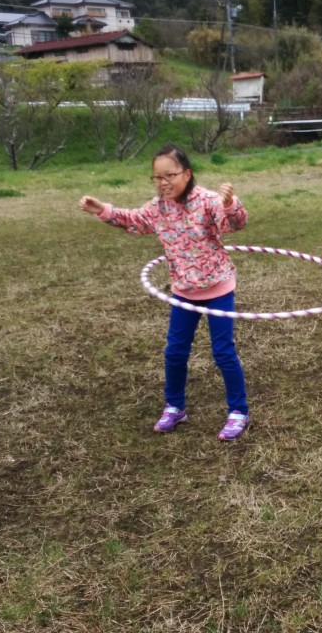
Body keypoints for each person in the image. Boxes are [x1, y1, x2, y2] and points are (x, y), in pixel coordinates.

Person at [80, 142, 251, 441]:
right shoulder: (158, 207)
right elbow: (133, 220)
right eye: (157, 177)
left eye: (169, 176)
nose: (163, 183)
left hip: (218, 287)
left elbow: (235, 224)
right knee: (174, 352)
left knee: (223, 352)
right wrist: (103, 210)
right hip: (183, 291)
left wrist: (230, 204)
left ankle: (238, 411)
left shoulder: (208, 200)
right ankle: (175, 407)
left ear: (187, 174)